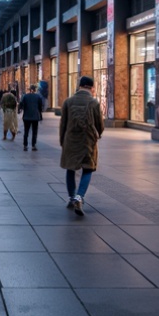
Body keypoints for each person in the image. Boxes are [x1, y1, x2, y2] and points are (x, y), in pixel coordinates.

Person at [60, 75, 103, 216]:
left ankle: (72, 197)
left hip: (71, 140)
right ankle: (80, 196)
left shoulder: (68, 102)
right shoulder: (94, 103)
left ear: (80, 86)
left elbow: (63, 124)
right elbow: (100, 125)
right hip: (87, 141)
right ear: (91, 88)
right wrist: (99, 134)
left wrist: (63, 141)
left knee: (70, 168)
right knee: (88, 168)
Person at [19, 84, 45, 151]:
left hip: (26, 116)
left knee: (26, 131)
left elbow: (21, 104)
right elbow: (40, 107)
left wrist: (20, 110)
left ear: (30, 89)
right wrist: (40, 114)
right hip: (35, 117)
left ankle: (25, 145)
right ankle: (33, 145)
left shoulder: (25, 96)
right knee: (34, 131)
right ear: (35, 89)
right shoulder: (38, 97)